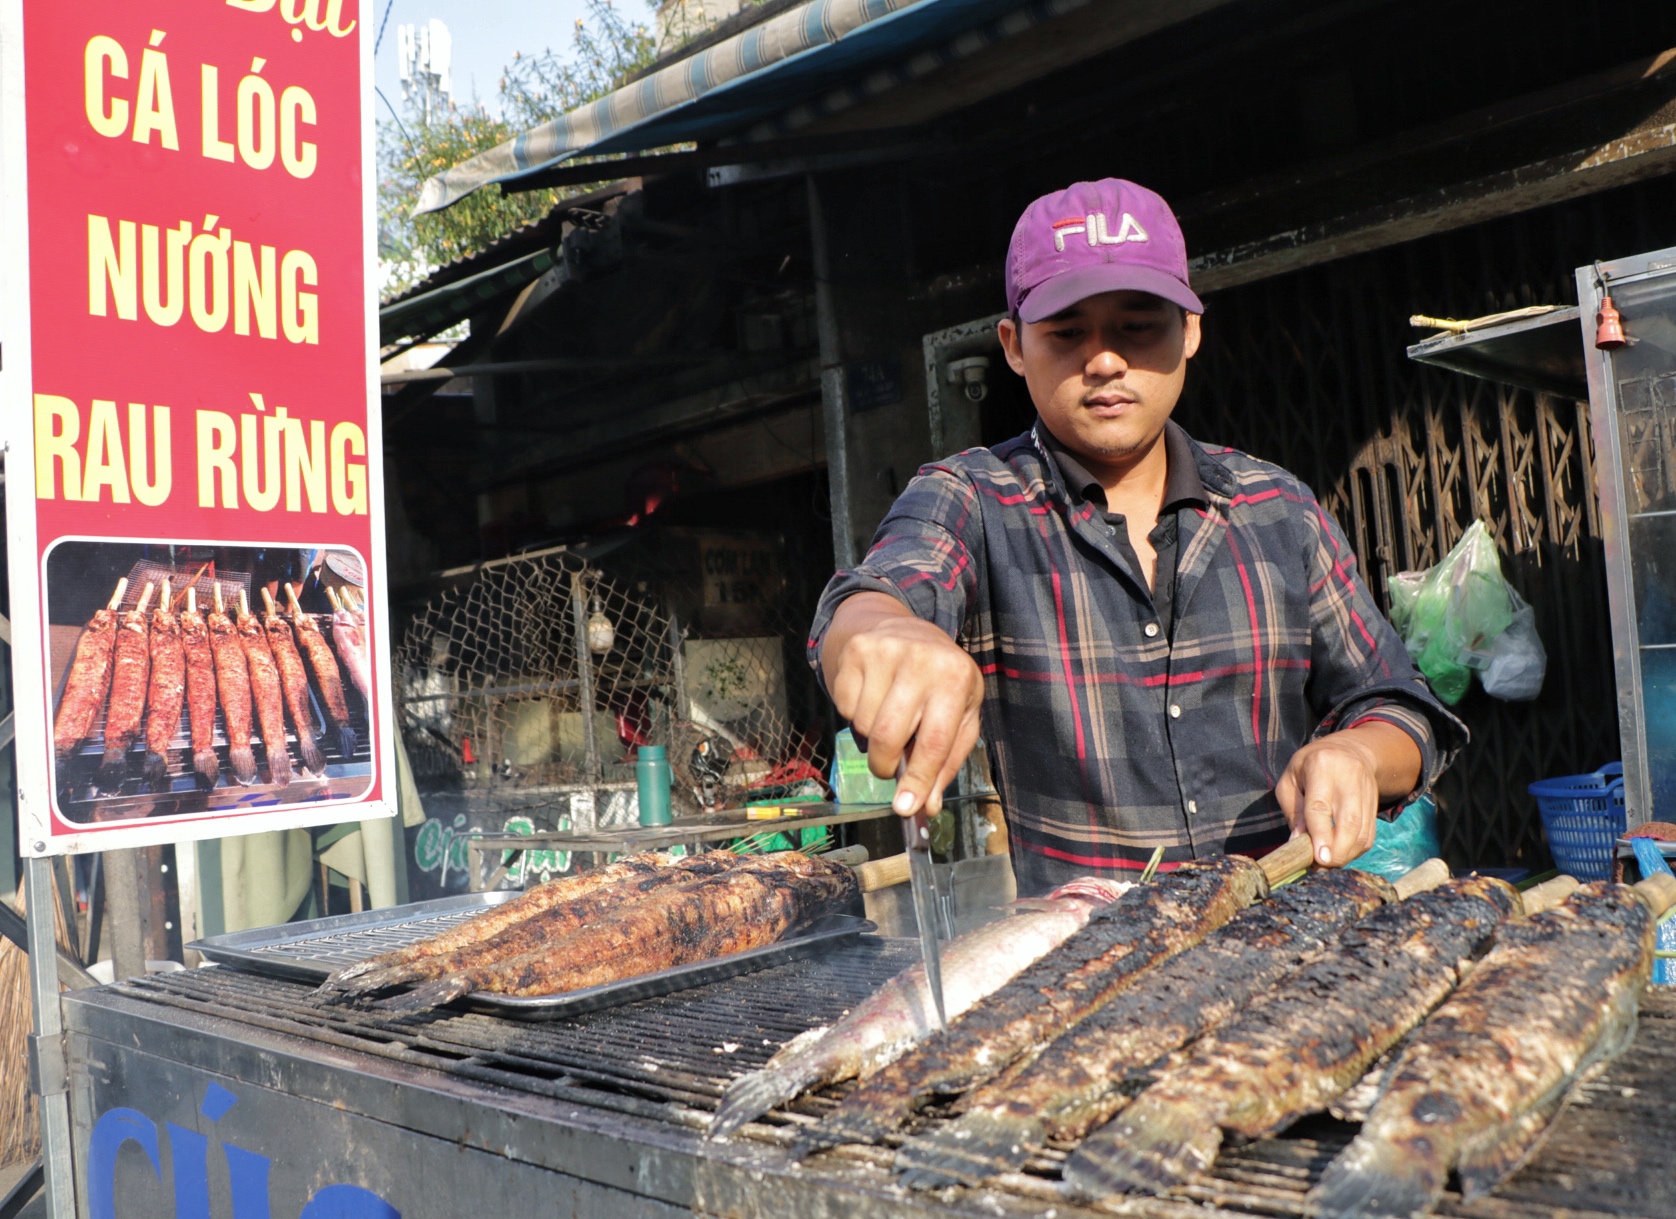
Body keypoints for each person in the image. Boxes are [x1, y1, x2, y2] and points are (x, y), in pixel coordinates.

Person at [808, 179, 1465, 895]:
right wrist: (884, 631)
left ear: (1190, 330)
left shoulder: (1280, 508)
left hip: (1279, 948)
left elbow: (1400, 703)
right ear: (1014, 347)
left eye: (1136, 325)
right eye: (1066, 331)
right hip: (1087, 971)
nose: (1105, 360)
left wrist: (1361, 753)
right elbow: (875, 596)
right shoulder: (972, 498)